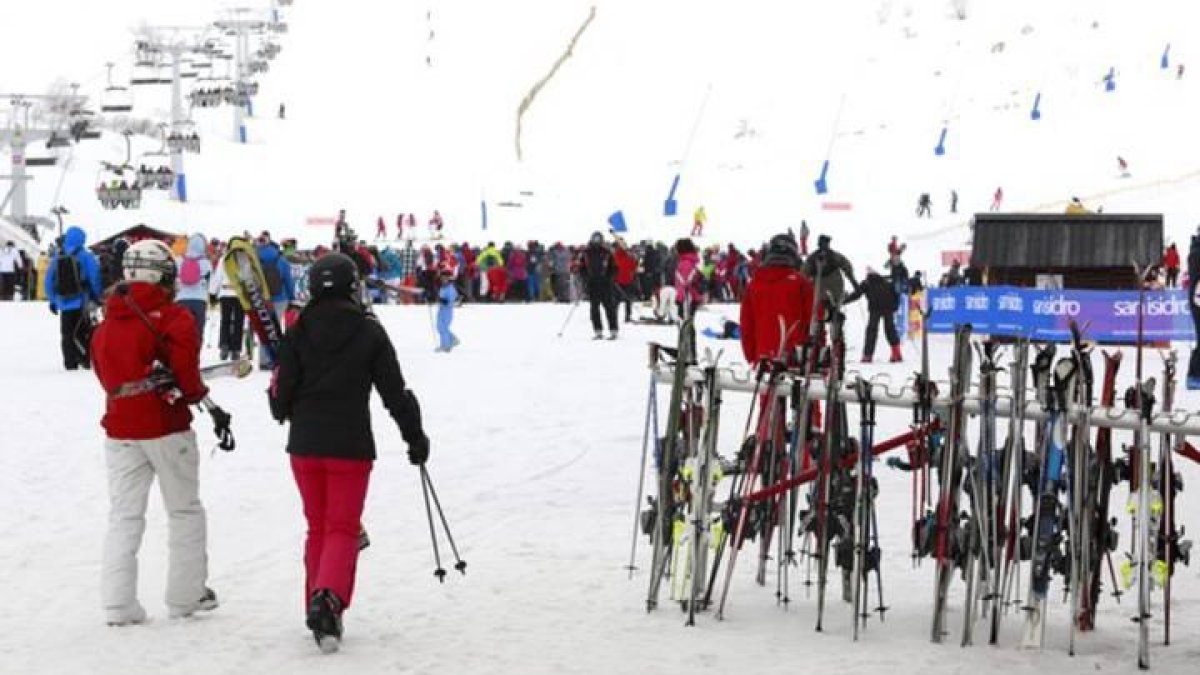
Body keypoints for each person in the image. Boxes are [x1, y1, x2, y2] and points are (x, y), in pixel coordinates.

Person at [268, 252, 429, 651]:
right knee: (342, 526)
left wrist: (276, 397)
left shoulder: (298, 329)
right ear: (351, 286)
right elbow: (395, 393)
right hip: (350, 446)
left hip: (304, 447)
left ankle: (319, 605)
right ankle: (328, 601)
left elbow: (280, 401)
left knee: (319, 527)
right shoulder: (369, 331)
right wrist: (415, 437)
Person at [90, 239, 222, 626]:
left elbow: (105, 376)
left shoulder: (105, 323)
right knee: (184, 510)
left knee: (124, 516)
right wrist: (196, 395)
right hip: (166, 427)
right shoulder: (176, 317)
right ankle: (185, 594)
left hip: (119, 427)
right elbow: (187, 374)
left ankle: (117, 603)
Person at [739, 233, 814, 365]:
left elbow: (746, 325)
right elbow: (815, 322)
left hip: (762, 361)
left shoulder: (754, 284)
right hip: (796, 362)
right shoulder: (802, 284)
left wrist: (752, 356)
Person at [45, 227, 103, 370]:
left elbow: (48, 280)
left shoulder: (57, 257)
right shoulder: (85, 256)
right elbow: (94, 277)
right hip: (81, 300)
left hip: (63, 302)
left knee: (66, 333)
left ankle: (69, 362)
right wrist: (97, 295)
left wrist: (52, 300)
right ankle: (84, 358)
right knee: (82, 330)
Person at [845, 267, 903, 363]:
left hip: (875, 308)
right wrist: (895, 307)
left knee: (871, 331)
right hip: (888, 308)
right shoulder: (887, 281)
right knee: (890, 330)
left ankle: (867, 356)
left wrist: (844, 301)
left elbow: (857, 294)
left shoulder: (867, 283)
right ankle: (896, 353)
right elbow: (896, 295)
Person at [256, 236, 296, 368]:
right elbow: (289, 281)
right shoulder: (282, 260)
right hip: (280, 298)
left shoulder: (256, 259)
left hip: (262, 299)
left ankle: (263, 360)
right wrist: (291, 298)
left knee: (264, 328)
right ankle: (275, 358)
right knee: (276, 329)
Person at [802, 234, 859, 309]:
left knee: (828, 304)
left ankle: (832, 311)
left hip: (828, 285)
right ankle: (831, 311)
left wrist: (852, 280)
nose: (825, 246)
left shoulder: (830, 256)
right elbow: (804, 273)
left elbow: (804, 273)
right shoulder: (816, 257)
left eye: (826, 243)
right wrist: (853, 280)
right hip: (825, 286)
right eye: (824, 243)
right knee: (827, 304)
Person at [580, 231, 619, 339]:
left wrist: (610, 278)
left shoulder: (607, 252)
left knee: (609, 307)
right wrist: (585, 277)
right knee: (594, 308)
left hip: (605, 283)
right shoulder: (586, 253)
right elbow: (582, 268)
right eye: (594, 239)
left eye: (598, 239)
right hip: (592, 283)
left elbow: (614, 267)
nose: (596, 241)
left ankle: (613, 329)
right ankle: (598, 330)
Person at [176, 234, 212, 341]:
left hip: (181, 299)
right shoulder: (205, 263)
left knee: (181, 330)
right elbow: (208, 282)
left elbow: (174, 279)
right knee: (198, 330)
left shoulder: (179, 260)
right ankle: (196, 354)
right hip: (199, 300)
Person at [209, 254, 245, 361]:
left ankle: (224, 346)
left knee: (225, 321)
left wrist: (212, 292)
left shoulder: (224, 258)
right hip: (239, 294)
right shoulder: (243, 257)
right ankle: (236, 350)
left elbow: (218, 277)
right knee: (239, 322)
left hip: (225, 293)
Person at [435, 263, 459, 352]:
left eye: (445, 278)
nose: (443, 280)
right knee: (439, 327)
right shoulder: (442, 287)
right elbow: (439, 297)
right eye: (442, 278)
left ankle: (445, 345)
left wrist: (443, 301)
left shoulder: (451, 288)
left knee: (443, 328)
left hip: (447, 311)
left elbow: (451, 301)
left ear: (449, 279)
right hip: (441, 310)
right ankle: (453, 339)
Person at [613, 239, 639, 321]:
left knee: (625, 299)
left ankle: (625, 316)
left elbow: (633, 267)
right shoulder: (617, 255)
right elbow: (634, 267)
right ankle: (619, 315)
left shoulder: (628, 256)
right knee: (621, 300)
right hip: (620, 281)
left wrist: (635, 261)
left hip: (625, 280)